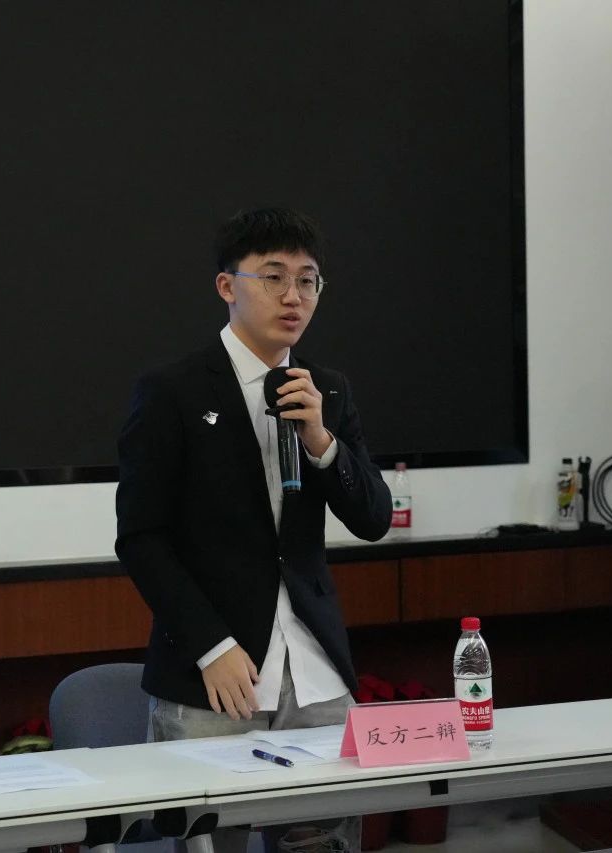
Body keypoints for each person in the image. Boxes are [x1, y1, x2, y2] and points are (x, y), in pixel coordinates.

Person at [116, 208, 391, 852]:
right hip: (216, 674)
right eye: (273, 277)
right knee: (211, 839)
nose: (293, 296)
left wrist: (320, 440)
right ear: (227, 286)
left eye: (308, 280)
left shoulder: (327, 391)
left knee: (325, 840)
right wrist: (210, 645)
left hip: (315, 671)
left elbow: (373, 518)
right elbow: (142, 538)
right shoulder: (173, 391)